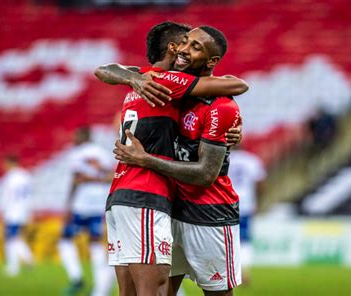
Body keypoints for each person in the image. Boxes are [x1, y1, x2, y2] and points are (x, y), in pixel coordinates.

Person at [94, 22, 247, 296]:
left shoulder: (213, 102)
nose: (185, 49)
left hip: (207, 210)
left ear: (211, 60)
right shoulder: (167, 84)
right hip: (167, 203)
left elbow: (205, 172)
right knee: (158, 291)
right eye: (185, 41)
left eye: (195, 46)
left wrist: (146, 159)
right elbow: (109, 69)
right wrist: (134, 78)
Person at [58, 127, 115, 296]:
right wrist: (96, 179)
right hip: (99, 205)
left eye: (75, 136)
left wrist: (68, 206)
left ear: (82, 137)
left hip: (81, 205)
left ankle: (76, 278)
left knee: (65, 239)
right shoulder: (103, 154)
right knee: (96, 243)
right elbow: (112, 176)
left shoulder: (76, 154)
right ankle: (99, 286)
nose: (73, 139)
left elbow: (76, 181)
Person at [227, 146, 266, 285]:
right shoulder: (252, 160)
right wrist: (258, 201)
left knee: (227, 238)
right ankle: (244, 271)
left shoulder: (226, 158)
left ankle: (229, 271)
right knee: (244, 240)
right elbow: (260, 183)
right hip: (246, 205)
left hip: (227, 204)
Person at [0, 154, 35, 276]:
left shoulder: (10, 177)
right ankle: (28, 258)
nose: (4, 166)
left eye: (5, 163)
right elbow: (30, 194)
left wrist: (3, 211)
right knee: (14, 237)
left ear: (10, 163)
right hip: (23, 210)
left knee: (10, 238)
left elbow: (7, 197)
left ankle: (13, 266)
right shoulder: (25, 175)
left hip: (12, 210)